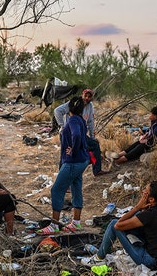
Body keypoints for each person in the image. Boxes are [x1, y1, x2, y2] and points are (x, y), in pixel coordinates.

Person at [81, 181, 157, 270]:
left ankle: (99, 259)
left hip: (150, 261)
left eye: (145, 190)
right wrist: (141, 209)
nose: (142, 191)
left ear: (152, 199)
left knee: (113, 223)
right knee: (134, 217)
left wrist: (137, 207)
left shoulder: (150, 214)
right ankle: (103, 251)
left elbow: (118, 225)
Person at [37, 96, 90, 235]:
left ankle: (54, 225)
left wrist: (72, 150)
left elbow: (77, 135)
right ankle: (76, 223)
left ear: (69, 107)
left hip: (73, 162)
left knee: (56, 190)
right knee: (76, 188)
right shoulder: (81, 119)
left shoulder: (72, 120)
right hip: (82, 160)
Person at [54, 88, 107, 176]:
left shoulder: (89, 106)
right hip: (69, 134)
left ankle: (97, 170)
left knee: (95, 145)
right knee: (66, 156)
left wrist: (92, 137)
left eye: (89, 97)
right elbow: (57, 111)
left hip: (80, 134)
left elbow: (90, 122)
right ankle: (63, 181)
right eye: (85, 96)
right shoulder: (75, 104)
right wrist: (62, 126)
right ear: (82, 95)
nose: (87, 98)